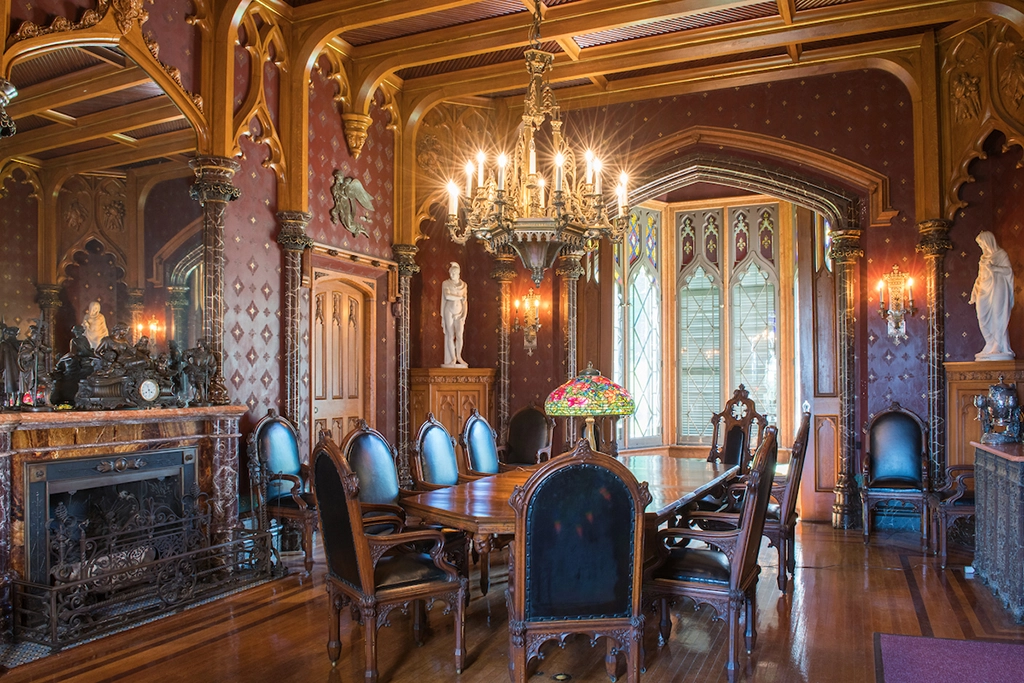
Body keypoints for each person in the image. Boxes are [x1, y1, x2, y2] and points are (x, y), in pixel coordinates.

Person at [970, 231, 1015, 360]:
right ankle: (990, 343)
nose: (981, 246)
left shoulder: (1001, 255)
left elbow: (1008, 271)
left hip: (998, 288)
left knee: (998, 315)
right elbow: (979, 277)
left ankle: (998, 344)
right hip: (984, 289)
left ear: (988, 241)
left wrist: (994, 268)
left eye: (982, 243)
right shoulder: (983, 258)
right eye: (979, 244)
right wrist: (974, 292)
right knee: (982, 316)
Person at [440, 261, 468, 368]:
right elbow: (447, 296)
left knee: (460, 335)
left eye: (453, 273)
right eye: (450, 273)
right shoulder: (446, 283)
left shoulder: (464, 285)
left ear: (458, 274)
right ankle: (452, 358)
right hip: (449, 311)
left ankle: (459, 356)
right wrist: (460, 297)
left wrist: (464, 316)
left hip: (459, 312)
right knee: (450, 335)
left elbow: (465, 302)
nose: (451, 275)